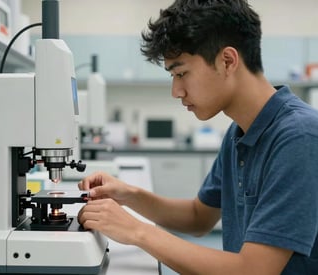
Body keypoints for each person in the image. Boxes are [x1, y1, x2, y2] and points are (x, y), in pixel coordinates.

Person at [78, 0, 318, 274]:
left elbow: (254, 270)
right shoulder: (239, 132)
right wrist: (129, 195)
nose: (176, 91)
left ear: (227, 61)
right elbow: (198, 217)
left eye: (181, 73)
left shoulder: (299, 137)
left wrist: (137, 232)